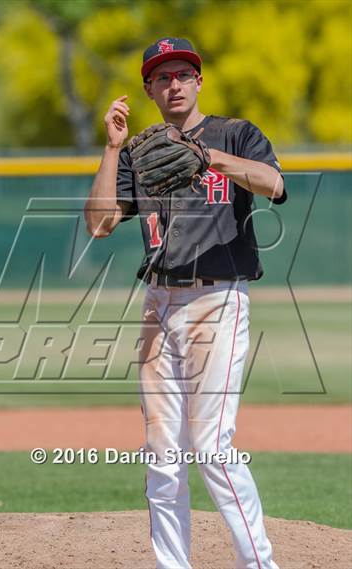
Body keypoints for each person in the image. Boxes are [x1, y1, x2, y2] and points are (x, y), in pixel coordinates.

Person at [85, 38, 287, 569]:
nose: (173, 84)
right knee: (164, 453)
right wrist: (111, 149)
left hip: (218, 298)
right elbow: (100, 223)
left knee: (212, 447)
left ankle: (258, 564)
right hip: (159, 300)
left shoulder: (235, 133)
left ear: (198, 81)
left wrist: (209, 156)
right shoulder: (136, 151)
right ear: (149, 88)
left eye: (182, 74)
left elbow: (274, 184)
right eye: (161, 77)